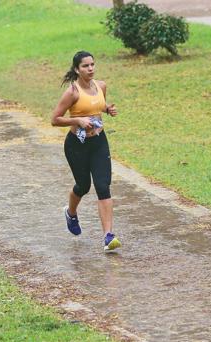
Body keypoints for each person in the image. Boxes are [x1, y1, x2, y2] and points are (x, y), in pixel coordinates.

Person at [51, 51, 121, 252]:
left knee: (103, 186)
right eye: (85, 66)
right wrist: (77, 120)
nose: (90, 69)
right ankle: (71, 213)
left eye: (92, 65)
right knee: (83, 186)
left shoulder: (101, 86)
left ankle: (108, 236)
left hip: (99, 142)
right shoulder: (72, 92)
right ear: (76, 69)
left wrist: (108, 109)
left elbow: (97, 106)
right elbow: (55, 119)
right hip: (76, 145)